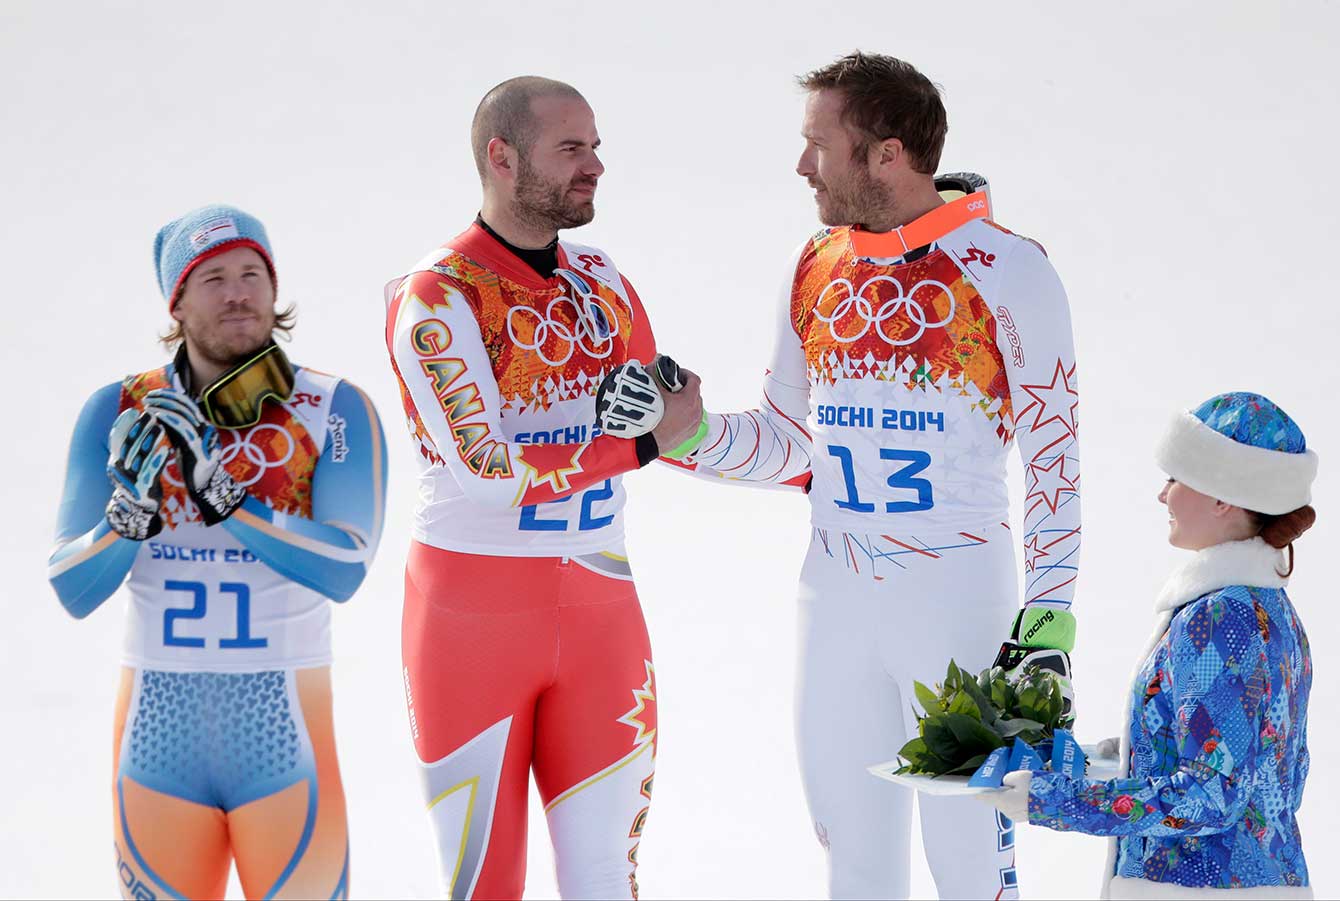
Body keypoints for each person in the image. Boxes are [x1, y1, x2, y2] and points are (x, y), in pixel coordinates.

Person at [649, 52, 1083, 899]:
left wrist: (1050, 621)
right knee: (853, 863)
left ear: (887, 153)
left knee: (971, 870)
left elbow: (1054, 464)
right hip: (835, 602)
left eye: (819, 144)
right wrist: (686, 434)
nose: (802, 165)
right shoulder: (814, 266)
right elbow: (788, 442)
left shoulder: (1010, 271)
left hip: (959, 604)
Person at [383, 77, 702, 900]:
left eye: (595, 146)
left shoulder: (601, 274)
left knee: (608, 881)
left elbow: (659, 400)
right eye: (572, 149)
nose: (595, 165)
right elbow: (489, 477)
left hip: (602, 607)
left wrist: (668, 410)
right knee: (484, 885)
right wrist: (634, 444)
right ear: (501, 156)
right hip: (471, 622)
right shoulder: (438, 292)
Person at [48, 205, 388, 900]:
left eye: (253, 274)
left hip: (285, 741)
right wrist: (127, 520)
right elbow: (69, 586)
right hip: (157, 744)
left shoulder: (333, 406)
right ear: (177, 301)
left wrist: (230, 501)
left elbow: (347, 568)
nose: (239, 292)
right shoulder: (117, 410)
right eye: (214, 278)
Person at [983, 392, 1316, 899]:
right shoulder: (1271, 613)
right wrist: (1112, 756)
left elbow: (1211, 794)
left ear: (1222, 496)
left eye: (1175, 479)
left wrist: (1056, 800)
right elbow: (1259, 767)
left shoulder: (1222, 616)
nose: (1163, 496)